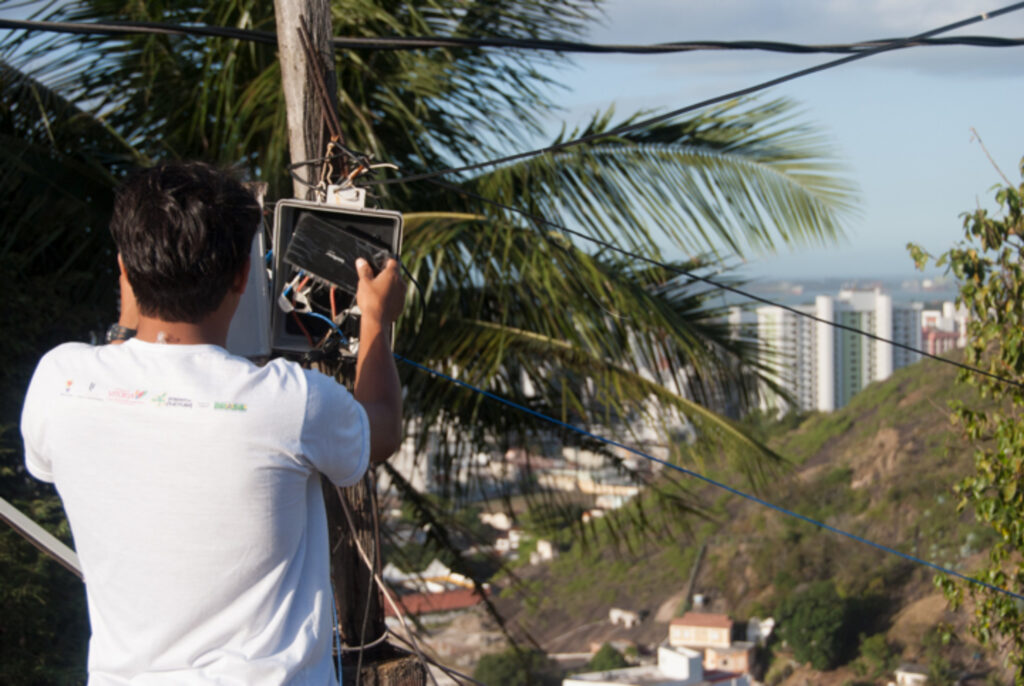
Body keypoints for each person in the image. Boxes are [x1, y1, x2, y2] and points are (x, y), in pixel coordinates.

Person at [20, 161, 405, 685]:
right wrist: (378, 322)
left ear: (125, 270)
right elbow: (380, 428)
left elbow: (118, 393)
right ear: (244, 277)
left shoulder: (59, 383)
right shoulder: (291, 403)